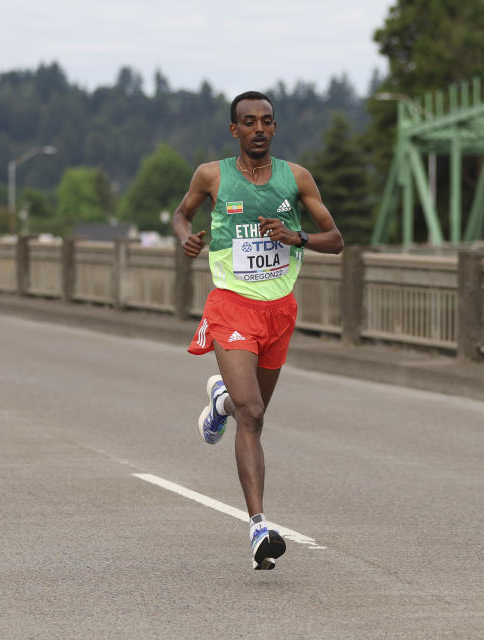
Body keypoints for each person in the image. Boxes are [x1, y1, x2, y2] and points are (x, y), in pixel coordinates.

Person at [171, 90, 344, 570]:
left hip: (279, 311)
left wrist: (297, 236)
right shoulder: (212, 175)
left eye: (266, 120)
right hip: (231, 306)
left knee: (254, 410)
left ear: (274, 126)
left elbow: (336, 239)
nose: (259, 129)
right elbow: (181, 214)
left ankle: (219, 401)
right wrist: (189, 239)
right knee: (252, 412)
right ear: (235, 131)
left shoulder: (297, 178)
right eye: (249, 122)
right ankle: (259, 527)